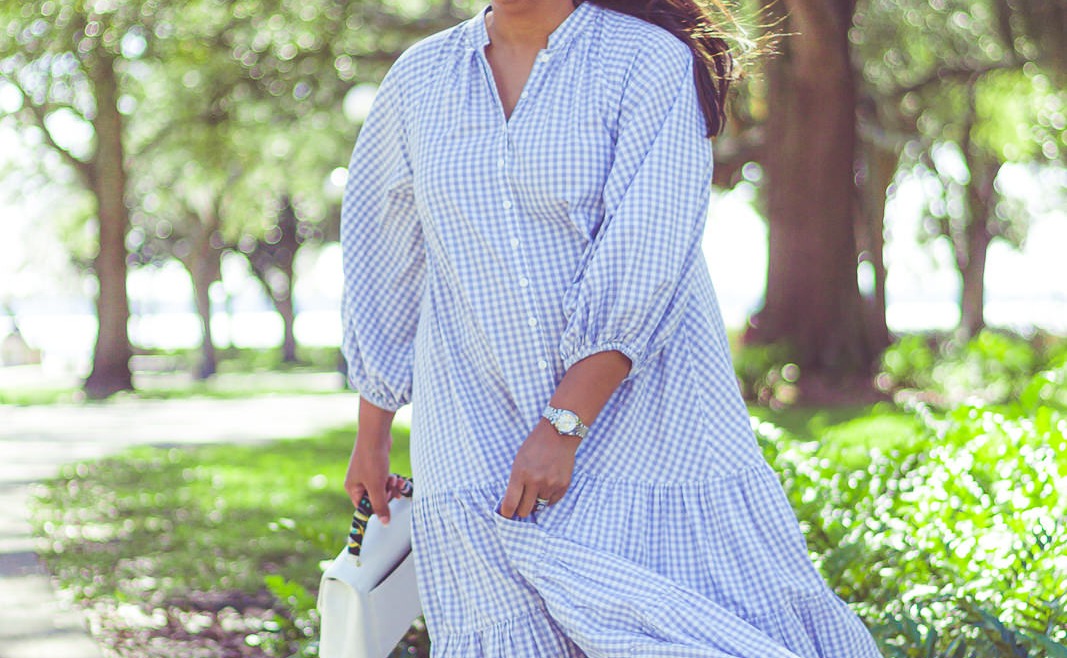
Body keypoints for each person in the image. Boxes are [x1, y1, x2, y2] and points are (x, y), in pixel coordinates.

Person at [339, 0, 884, 655]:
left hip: (642, 416)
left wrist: (564, 424)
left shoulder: (646, 61)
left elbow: (646, 250)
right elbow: (385, 254)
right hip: (471, 418)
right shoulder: (419, 78)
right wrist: (372, 435)